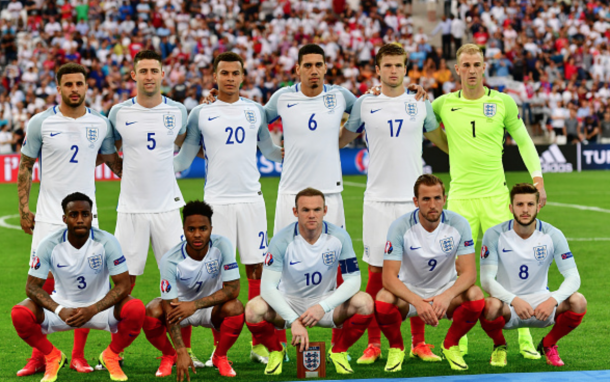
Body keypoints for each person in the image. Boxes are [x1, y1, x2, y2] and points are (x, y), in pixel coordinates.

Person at [431, 43, 545, 357]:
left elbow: (523, 140)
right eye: (465, 65)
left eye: (476, 64)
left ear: (484, 68)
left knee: (511, 269)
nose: (471, 70)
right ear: (457, 69)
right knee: (457, 273)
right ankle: (460, 340)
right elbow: (423, 123)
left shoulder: (503, 102)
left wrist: (538, 180)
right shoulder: (442, 104)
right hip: (460, 200)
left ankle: (524, 339)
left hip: (496, 196)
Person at [339, 43, 449, 365]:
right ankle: (374, 344)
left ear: (406, 69)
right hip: (377, 199)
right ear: (377, 69)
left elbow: (441, 140)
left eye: (398, 66)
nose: (393, 71)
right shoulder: (364, 103)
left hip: (413, 201)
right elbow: (342, 138)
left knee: (416, 270)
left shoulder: (419, 103)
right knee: (376, 270)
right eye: (387, 66)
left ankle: (419, 342)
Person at [173, 52, 282, 366]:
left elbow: (271, 151)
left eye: (236, 73)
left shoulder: (255, 111)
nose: (230, 78)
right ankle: (214, 352)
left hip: (251, 201)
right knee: (214, 276)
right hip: (216, 204)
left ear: (243, 76)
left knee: (256, 271)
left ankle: (260, 344)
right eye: (224, 73)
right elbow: (182, 159)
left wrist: (304, 149)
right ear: (214, 76)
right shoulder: (200, 114)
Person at [16, 62, 122, 376]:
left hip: (87, 217)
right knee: (42, 285)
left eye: (79, 84)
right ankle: (41, 355)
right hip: (49, 217)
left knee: (85, 285)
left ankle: (78, 355)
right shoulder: (41, 122)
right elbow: (25, 166)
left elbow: (113, 162)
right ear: (58, 87)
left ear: (86, 86)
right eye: (68, 84)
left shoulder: (100, 123)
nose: (74, 89)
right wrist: (24, 209)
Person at [107, 50, 204, 366]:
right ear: (133, 75)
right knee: (123, 283)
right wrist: (132, 176)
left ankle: (181, 353)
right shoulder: (119, 112)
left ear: (163, 74)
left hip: (166, 209)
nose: (149, 75)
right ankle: (115, 352)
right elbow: (110, 153)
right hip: (131, 209)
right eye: (143, 70)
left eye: (154, 70)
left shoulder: (178, 111)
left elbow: (187, 143)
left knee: (181, 281)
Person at [11, 192, 145, 382]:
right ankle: (52, 355)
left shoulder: (107, 242)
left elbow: (123, 285)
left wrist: (93, 309)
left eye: (85, 214)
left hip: (100, 309)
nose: (80, 219)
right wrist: (59, 309)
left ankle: (111, 355)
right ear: (65, 218)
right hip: (63, 309)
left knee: (136, 309)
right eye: (74, 215)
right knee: (20, 313)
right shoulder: (49, 244)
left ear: (92, 216)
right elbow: (32, 288)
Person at [245, 188, 374, 376]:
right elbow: (267, 287)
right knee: (252, 309)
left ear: (325, 210)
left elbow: (353, 280)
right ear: (295, 212)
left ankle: (338, 352)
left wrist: (323, 306)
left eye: (317, 209)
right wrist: (293, 321)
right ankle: (276, 351)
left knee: (365, 303)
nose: (312, 215)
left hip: (325, 303)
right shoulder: (282, 240)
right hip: (289, 303)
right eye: (305, 210)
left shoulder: (339, 237)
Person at [375, 174, 484, 372]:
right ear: (416, 201)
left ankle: (451, 345)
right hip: (409, 293)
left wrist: (447, 295)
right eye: (426, 199)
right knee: (383, 299)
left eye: (437, 198)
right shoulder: (400, 227)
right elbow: (389, 278)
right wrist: (417, 301)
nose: (432, 204)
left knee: (476, 296)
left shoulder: (459, 224)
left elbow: (469, 274)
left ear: (445, 199)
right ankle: (396, 348)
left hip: (445, 291)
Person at [480, 183, 586, 367]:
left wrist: (552, 300)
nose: (525, 210)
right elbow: (486, 280)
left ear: (538, 206)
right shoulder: (494, 234)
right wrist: (514, 300)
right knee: (489, 306)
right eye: (520, 204)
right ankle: (499, 346)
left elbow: (573, 277)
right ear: (511, 208)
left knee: (578, 301)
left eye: (530, 204)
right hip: (507, 305)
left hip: (542, 304)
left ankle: (549, 344)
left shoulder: (553, 234)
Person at [143, 201, 244, 378]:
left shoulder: (222, 246)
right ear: (183, 229)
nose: (197, 235)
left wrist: (195, 305)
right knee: (151, 311)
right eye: (191, 229)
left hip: (210, 309)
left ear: (211, 228)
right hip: (178, 309)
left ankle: (219, 357)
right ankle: (170, 355)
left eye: (203, 229)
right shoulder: (170, 260)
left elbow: (233, 288)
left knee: (235, 308)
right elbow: (169, 306)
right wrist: (181, 350)